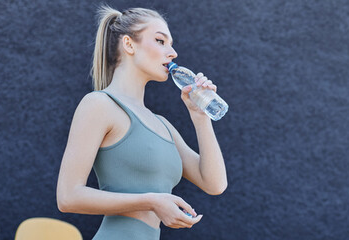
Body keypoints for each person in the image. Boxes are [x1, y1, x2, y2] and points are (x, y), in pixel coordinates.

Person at [55, 5, 227, 239]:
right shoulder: (99, 104)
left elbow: (214, 183)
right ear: (129, 44)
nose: (173, 52)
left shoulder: (162, 125)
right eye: (160, 41)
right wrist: (151, 201)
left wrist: (200, 117)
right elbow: (68, 197)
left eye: (171, 43)